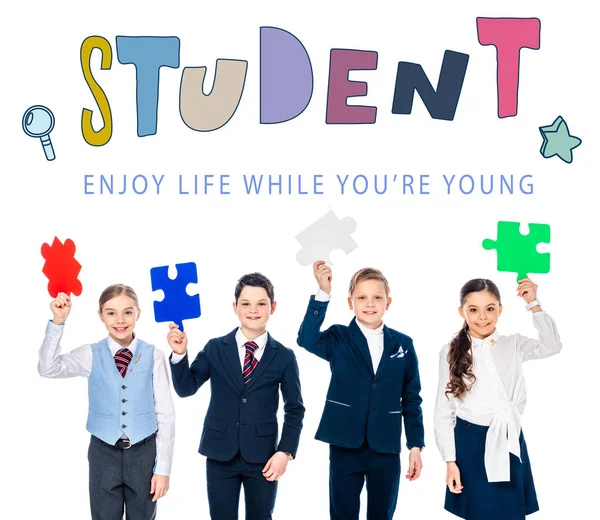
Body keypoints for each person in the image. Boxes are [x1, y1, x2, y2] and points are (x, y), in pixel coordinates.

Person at [167, 272, 304, 520]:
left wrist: (285, 452)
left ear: (273, 307)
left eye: (261, 303)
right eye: (246, 303)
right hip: (220, 452)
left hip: (263, 457)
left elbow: (295, 409)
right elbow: (186, 388)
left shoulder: (284, 356)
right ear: (235, 307)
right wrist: (179, 355)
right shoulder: (215, 348)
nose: (253, 310)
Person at [297, 261, 424, 520]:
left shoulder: (404, 344)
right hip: (345, 442)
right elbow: (306, 339)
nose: (370, 303)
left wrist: (415, 445)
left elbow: (411, 398)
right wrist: (322, 292)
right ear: (350, 302)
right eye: (362, 297)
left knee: (382, 515)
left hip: (386, 447)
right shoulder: (338, 337)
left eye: (377, 297)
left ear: (388, 302)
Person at [38, 285, 175, 520]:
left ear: (138, 314)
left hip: (144, 454)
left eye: (127, 312)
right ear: (100, 315)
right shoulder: (90, 354)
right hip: (103, 453)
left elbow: (165, 414)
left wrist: (163, 468)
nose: (120, 320)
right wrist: (58, 322)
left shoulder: (155, 356)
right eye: (111, 313)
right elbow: (48, 368)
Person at [434, 277, 562, 520]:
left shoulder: (513, 344)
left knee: (509, 511)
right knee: (479, 511)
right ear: (462, 311)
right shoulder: (450, 351)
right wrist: (450, 460)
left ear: (500, 309)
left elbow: (552, 345)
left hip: (507, 437)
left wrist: (533, 302)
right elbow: (444, 410)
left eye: (490, 309)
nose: (482, 317)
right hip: (470, 443)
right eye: (473, 310)